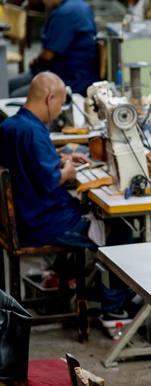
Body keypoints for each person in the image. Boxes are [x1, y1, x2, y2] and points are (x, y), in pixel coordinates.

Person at [0, 72, 132, 322]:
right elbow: (50, 179)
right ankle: (113, 308)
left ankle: (90, 285)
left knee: (97, 215)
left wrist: (60, 158)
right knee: (120, 231)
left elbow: (27, 164)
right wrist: (68, 172)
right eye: (60, 104)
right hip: (43, 224)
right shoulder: (35, 133)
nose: (60, 111)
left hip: (23, 217)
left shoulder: (11, 125)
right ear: (50, 98)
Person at [8, 0, 98, 98]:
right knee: (8, 86)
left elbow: (48, 55)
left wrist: (35, 61)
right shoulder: (80, 4)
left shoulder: (64, 13)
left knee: (14, 96)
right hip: (63, 71)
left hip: (71, 78)